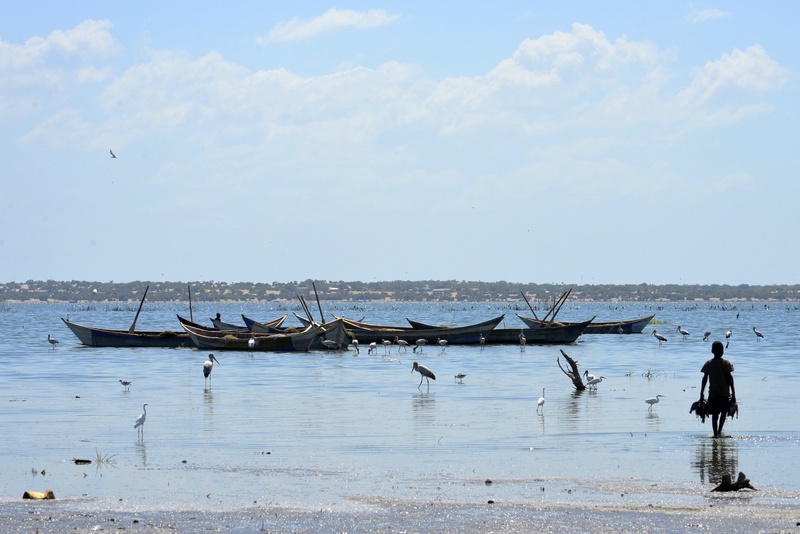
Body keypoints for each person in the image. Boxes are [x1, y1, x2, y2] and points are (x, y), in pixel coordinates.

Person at [700, 340, 736, 438]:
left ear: (712, 351)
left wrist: (701, 394)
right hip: (724, 394)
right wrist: (734, 394)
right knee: (723, 413)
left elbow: (704, 379)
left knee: (715, 415)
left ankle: (715, 434)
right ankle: (719, 432)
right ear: (722, 351)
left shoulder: (708, 363)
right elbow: (730, 379)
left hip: (713, 395)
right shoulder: (726, 363)